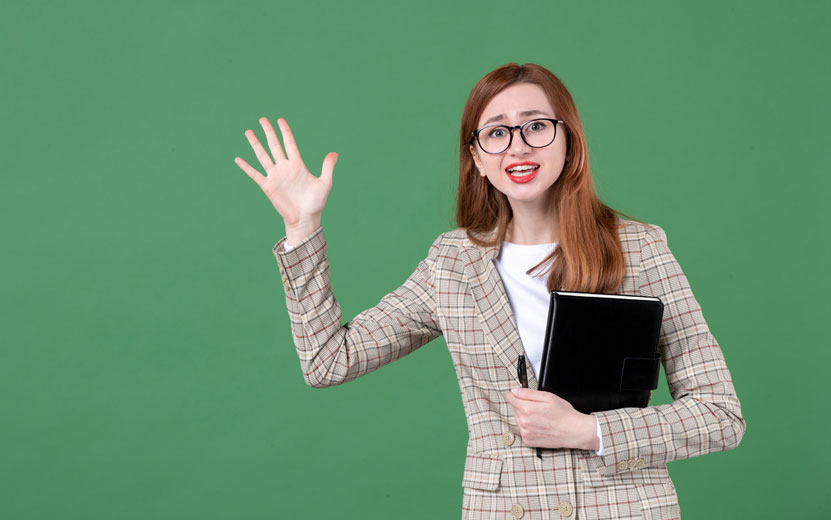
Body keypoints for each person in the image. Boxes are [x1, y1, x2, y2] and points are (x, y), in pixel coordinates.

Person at [234, 62, 745, 519]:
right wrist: (303, 228)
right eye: (496, 133)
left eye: (536, 127)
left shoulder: (638, 248)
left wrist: (589, 432)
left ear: (569, 141)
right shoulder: (452, 262)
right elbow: (329, 361)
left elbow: (720, 414)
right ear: (476, 158)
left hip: (623, 508)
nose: (518, 146)